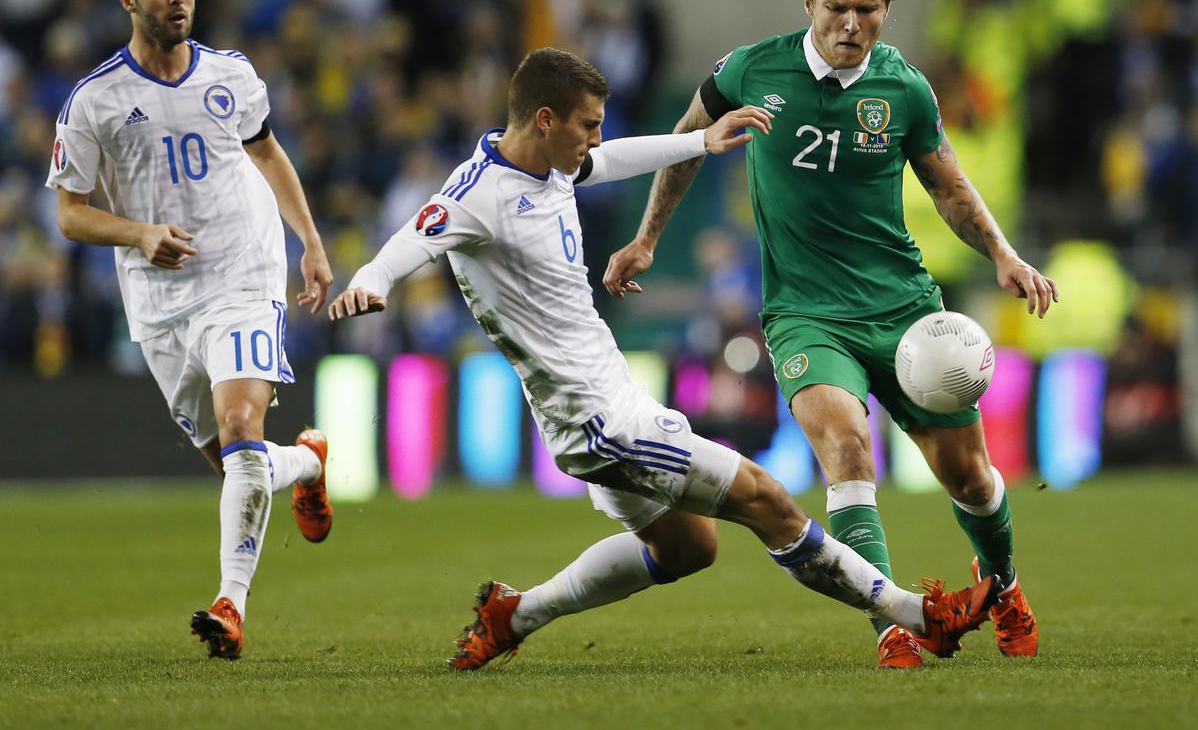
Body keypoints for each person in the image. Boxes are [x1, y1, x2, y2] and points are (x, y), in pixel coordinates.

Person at [330, 47, 1002, 670]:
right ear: (544, 118)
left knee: (687, 548)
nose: (595, 138)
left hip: (600, 405)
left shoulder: (549, 163)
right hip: (599, 421)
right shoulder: (478, 194)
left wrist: (698, 141)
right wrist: (371, 280)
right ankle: (918, 614)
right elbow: (419, 232)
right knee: (767, 499)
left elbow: (608, 161)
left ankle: (515, 613)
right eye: (587, 125)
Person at [603, 0, 1059, 669]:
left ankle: (1002, 584)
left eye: (869, 9)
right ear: (808, 4)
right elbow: (686, 142)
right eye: (838, 7)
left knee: (970, 477)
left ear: (887, 10)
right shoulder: (751, 68)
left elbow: (947, 185)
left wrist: (1003, 254)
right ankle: (893, 623)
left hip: (904, 308)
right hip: (806, 312)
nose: (852, 23)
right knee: (847, 448)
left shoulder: (905, 89)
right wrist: (648, 237)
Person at [46, 0, 335, 660]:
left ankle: (229, 607)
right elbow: (70, 213)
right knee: (239, 462)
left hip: (243, 270)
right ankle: (304, 461)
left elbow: (268, 152)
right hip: (159, 300)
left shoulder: (231, 75)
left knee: (240, 429)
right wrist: (140, 233)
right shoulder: (94, 101)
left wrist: (310, 241)